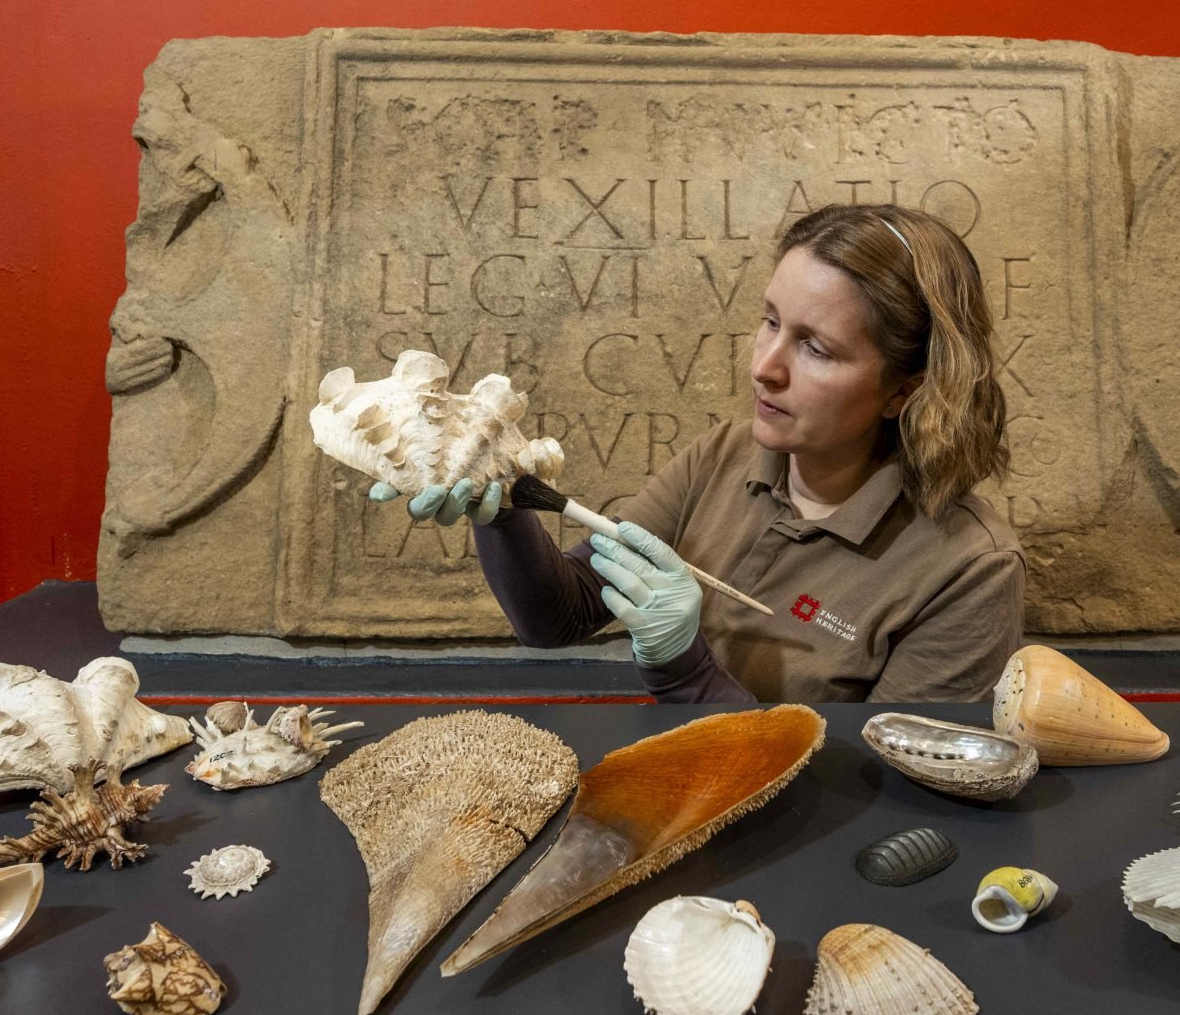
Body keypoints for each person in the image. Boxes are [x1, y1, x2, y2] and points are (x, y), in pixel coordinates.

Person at [373, 203, 1024, 703]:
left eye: (816, 348)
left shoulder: (969, 570)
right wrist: (506, 505)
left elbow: (876, 807)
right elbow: (559, 616)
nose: (765, 367)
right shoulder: (724, 454)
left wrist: (683, 666)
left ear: (901, 391)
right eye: (771, 321)